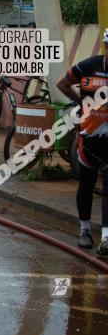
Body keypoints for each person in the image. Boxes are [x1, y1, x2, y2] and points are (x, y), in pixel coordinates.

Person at [57, 27, 108, 255]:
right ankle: (85, 231)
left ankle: (106, 237)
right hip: (88, 137)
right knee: (86, 184)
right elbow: (62, 83)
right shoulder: (88, 66)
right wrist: (80, 103)